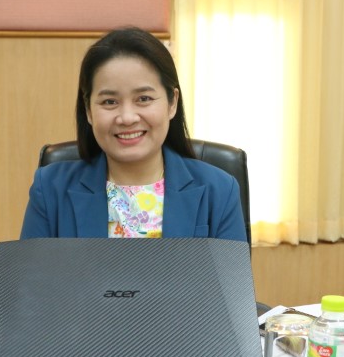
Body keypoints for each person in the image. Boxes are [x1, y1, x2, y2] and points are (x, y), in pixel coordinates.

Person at [19, 27, 246, 242]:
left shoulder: (220, 190)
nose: (127, 117)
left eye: (144, 99)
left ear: (172, 103)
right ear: (88, 110)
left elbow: (230, 273)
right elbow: (30, 272)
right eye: (110, 102)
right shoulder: (49, 189)